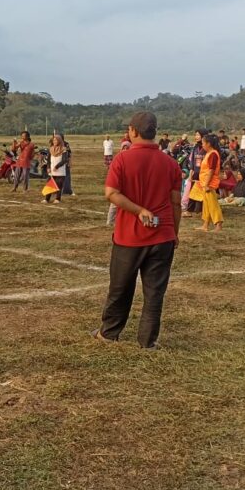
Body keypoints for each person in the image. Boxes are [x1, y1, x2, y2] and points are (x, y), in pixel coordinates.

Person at [95, 111, 182, 348]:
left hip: (129, 237)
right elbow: (176, 202)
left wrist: (138, 210)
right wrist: (174, 232)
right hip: (162, 235)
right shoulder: (171, 163)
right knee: (155, 292)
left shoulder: (122, 160)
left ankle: (109, 333)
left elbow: (111, 194)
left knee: (120, 288)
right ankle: (148, 341)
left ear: (133, 131)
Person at [198, 134, 224, 232]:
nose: (202, 145)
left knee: (213, 204)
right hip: (205, 182)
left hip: (209, 184)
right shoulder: (209, 153)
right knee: (207, 205)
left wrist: (207, 184)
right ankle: (205, 224)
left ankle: (218, 225)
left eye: (203, 143)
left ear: (208, 144)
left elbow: (211, 170)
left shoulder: (213, 154)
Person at [182, 129, 209, 217]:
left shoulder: (208, 148)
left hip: (204, 175)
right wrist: (190, 174)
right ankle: (189, 210)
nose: (196, 137)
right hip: (195, 174)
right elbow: (192, 162)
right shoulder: (195, 148)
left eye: (198, 135)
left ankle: (202, 211)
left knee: (203, 193)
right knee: (193, 193)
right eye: (195, 135)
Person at [44, 135, 67, 204]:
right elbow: (48, 160)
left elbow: (64, 160)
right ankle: (47, 199)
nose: (54, 142)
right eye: (54, 140)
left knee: (58, 185)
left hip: (60, 172)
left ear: (59, 141)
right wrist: (48, 167)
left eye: (56, 140)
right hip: (51, 171)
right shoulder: (51, 149)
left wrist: (57, 166)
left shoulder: (64, 149)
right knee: (49, 185)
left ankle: (57, 199)